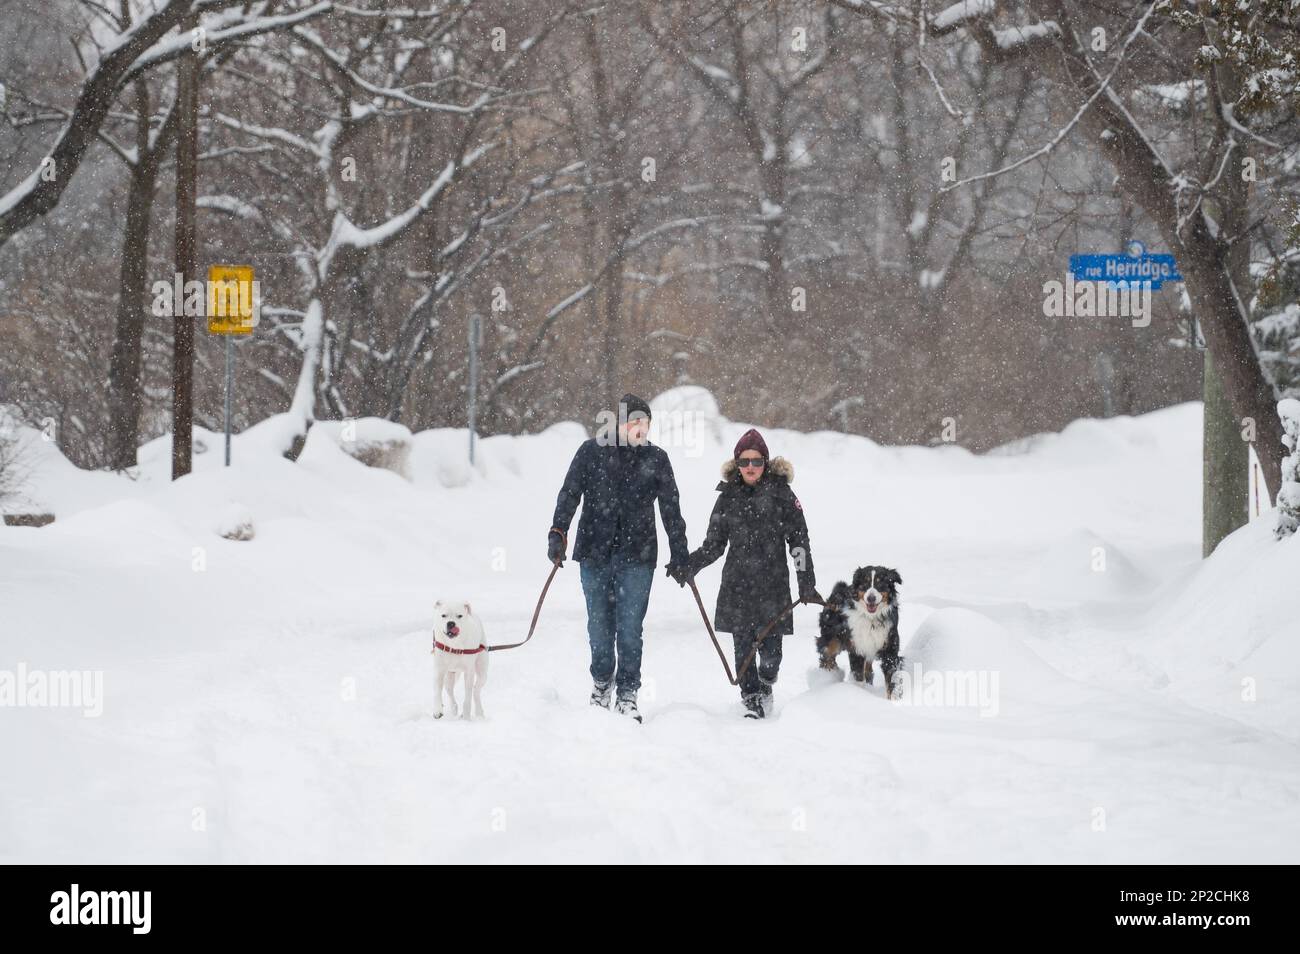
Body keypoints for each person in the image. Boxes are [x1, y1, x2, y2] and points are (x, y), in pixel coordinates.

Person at [548, 394, 691, 723]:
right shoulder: (591, 452)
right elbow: (569, 493)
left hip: (637, 558)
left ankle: (627, 693)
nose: (640, 428)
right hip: (594, 555)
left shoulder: (656, 459)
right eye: (633, 422)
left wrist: (680, 552)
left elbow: (671, 509)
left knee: (629, 630)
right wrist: (558, 532)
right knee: (599, 629)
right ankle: (601, 685)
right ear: (618, 424)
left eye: (645, 423)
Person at [683, 428, 821, 718]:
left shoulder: (782, 494)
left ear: (765, 463)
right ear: (736, 464)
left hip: (773, 585)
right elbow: (714, 545)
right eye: (744, 462)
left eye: (756, 462)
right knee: (743, 652)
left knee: (771, 657)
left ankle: (766, 685)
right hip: (737, 585)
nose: (750, 467)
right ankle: (751, 699)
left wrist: (806, 582)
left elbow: (799, 540)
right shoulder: (727, 497)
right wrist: (689, 564)